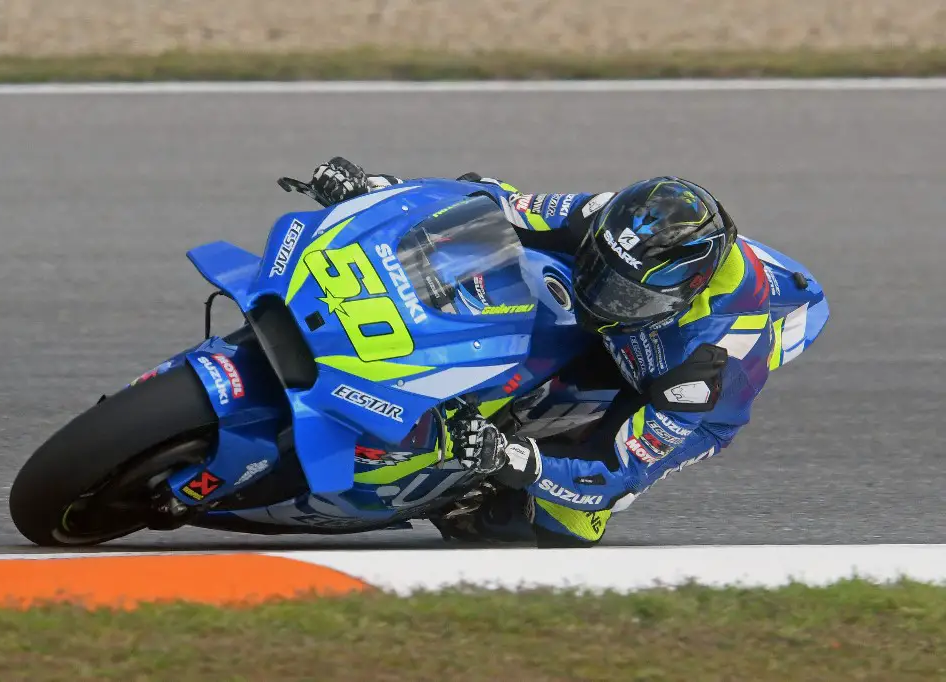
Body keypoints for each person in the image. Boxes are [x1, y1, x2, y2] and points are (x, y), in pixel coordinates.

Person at [302, 157, 793, 547]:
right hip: (637, 327)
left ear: (688, 290)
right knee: (494, 248)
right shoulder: (604, 215)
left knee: (567, 522)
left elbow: (616, 471)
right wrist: (377, 187)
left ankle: (465, 494)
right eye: (599, 271)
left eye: (625, 297)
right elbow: (491, 201)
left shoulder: (707, 366)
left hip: (663, 386)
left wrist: (509, 458)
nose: (599, 299)